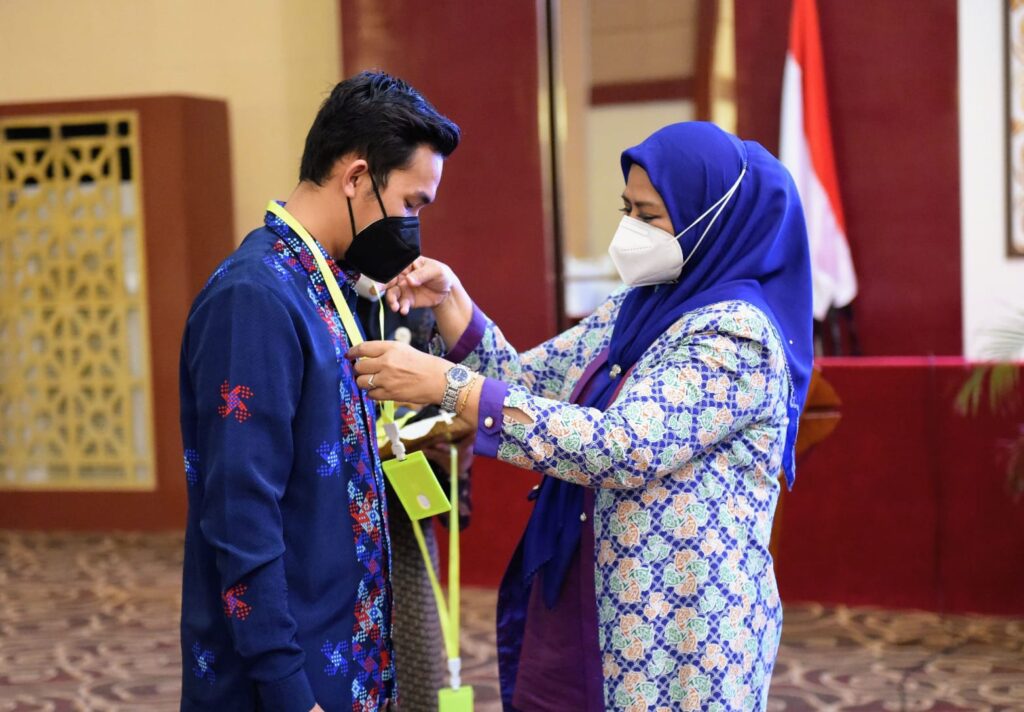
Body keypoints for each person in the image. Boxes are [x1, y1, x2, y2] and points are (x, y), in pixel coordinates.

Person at [346, 122, 813, 710]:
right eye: (627, 208)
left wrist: (449, 386)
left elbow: (623, 446)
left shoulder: (736, 335)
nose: (630, 229)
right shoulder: (641, 305)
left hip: (676, 627)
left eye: (649, 215)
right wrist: (451, 303)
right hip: (588, 591)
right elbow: (529, 383)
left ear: (710, 220)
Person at [177, 71, 460, 712]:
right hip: (289, 677)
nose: (414, 225)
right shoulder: (255, 296)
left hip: (343, 650)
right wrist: (286, 688)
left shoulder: (324, 283)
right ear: (357, 177)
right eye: (412, 204)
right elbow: (239, 515)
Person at [354, 286, 476, 712]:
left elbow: (455, 402)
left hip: (404, 511)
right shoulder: (315, 301)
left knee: (416, 650)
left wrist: (454, 457)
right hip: (332, 517)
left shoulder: (418, 304)